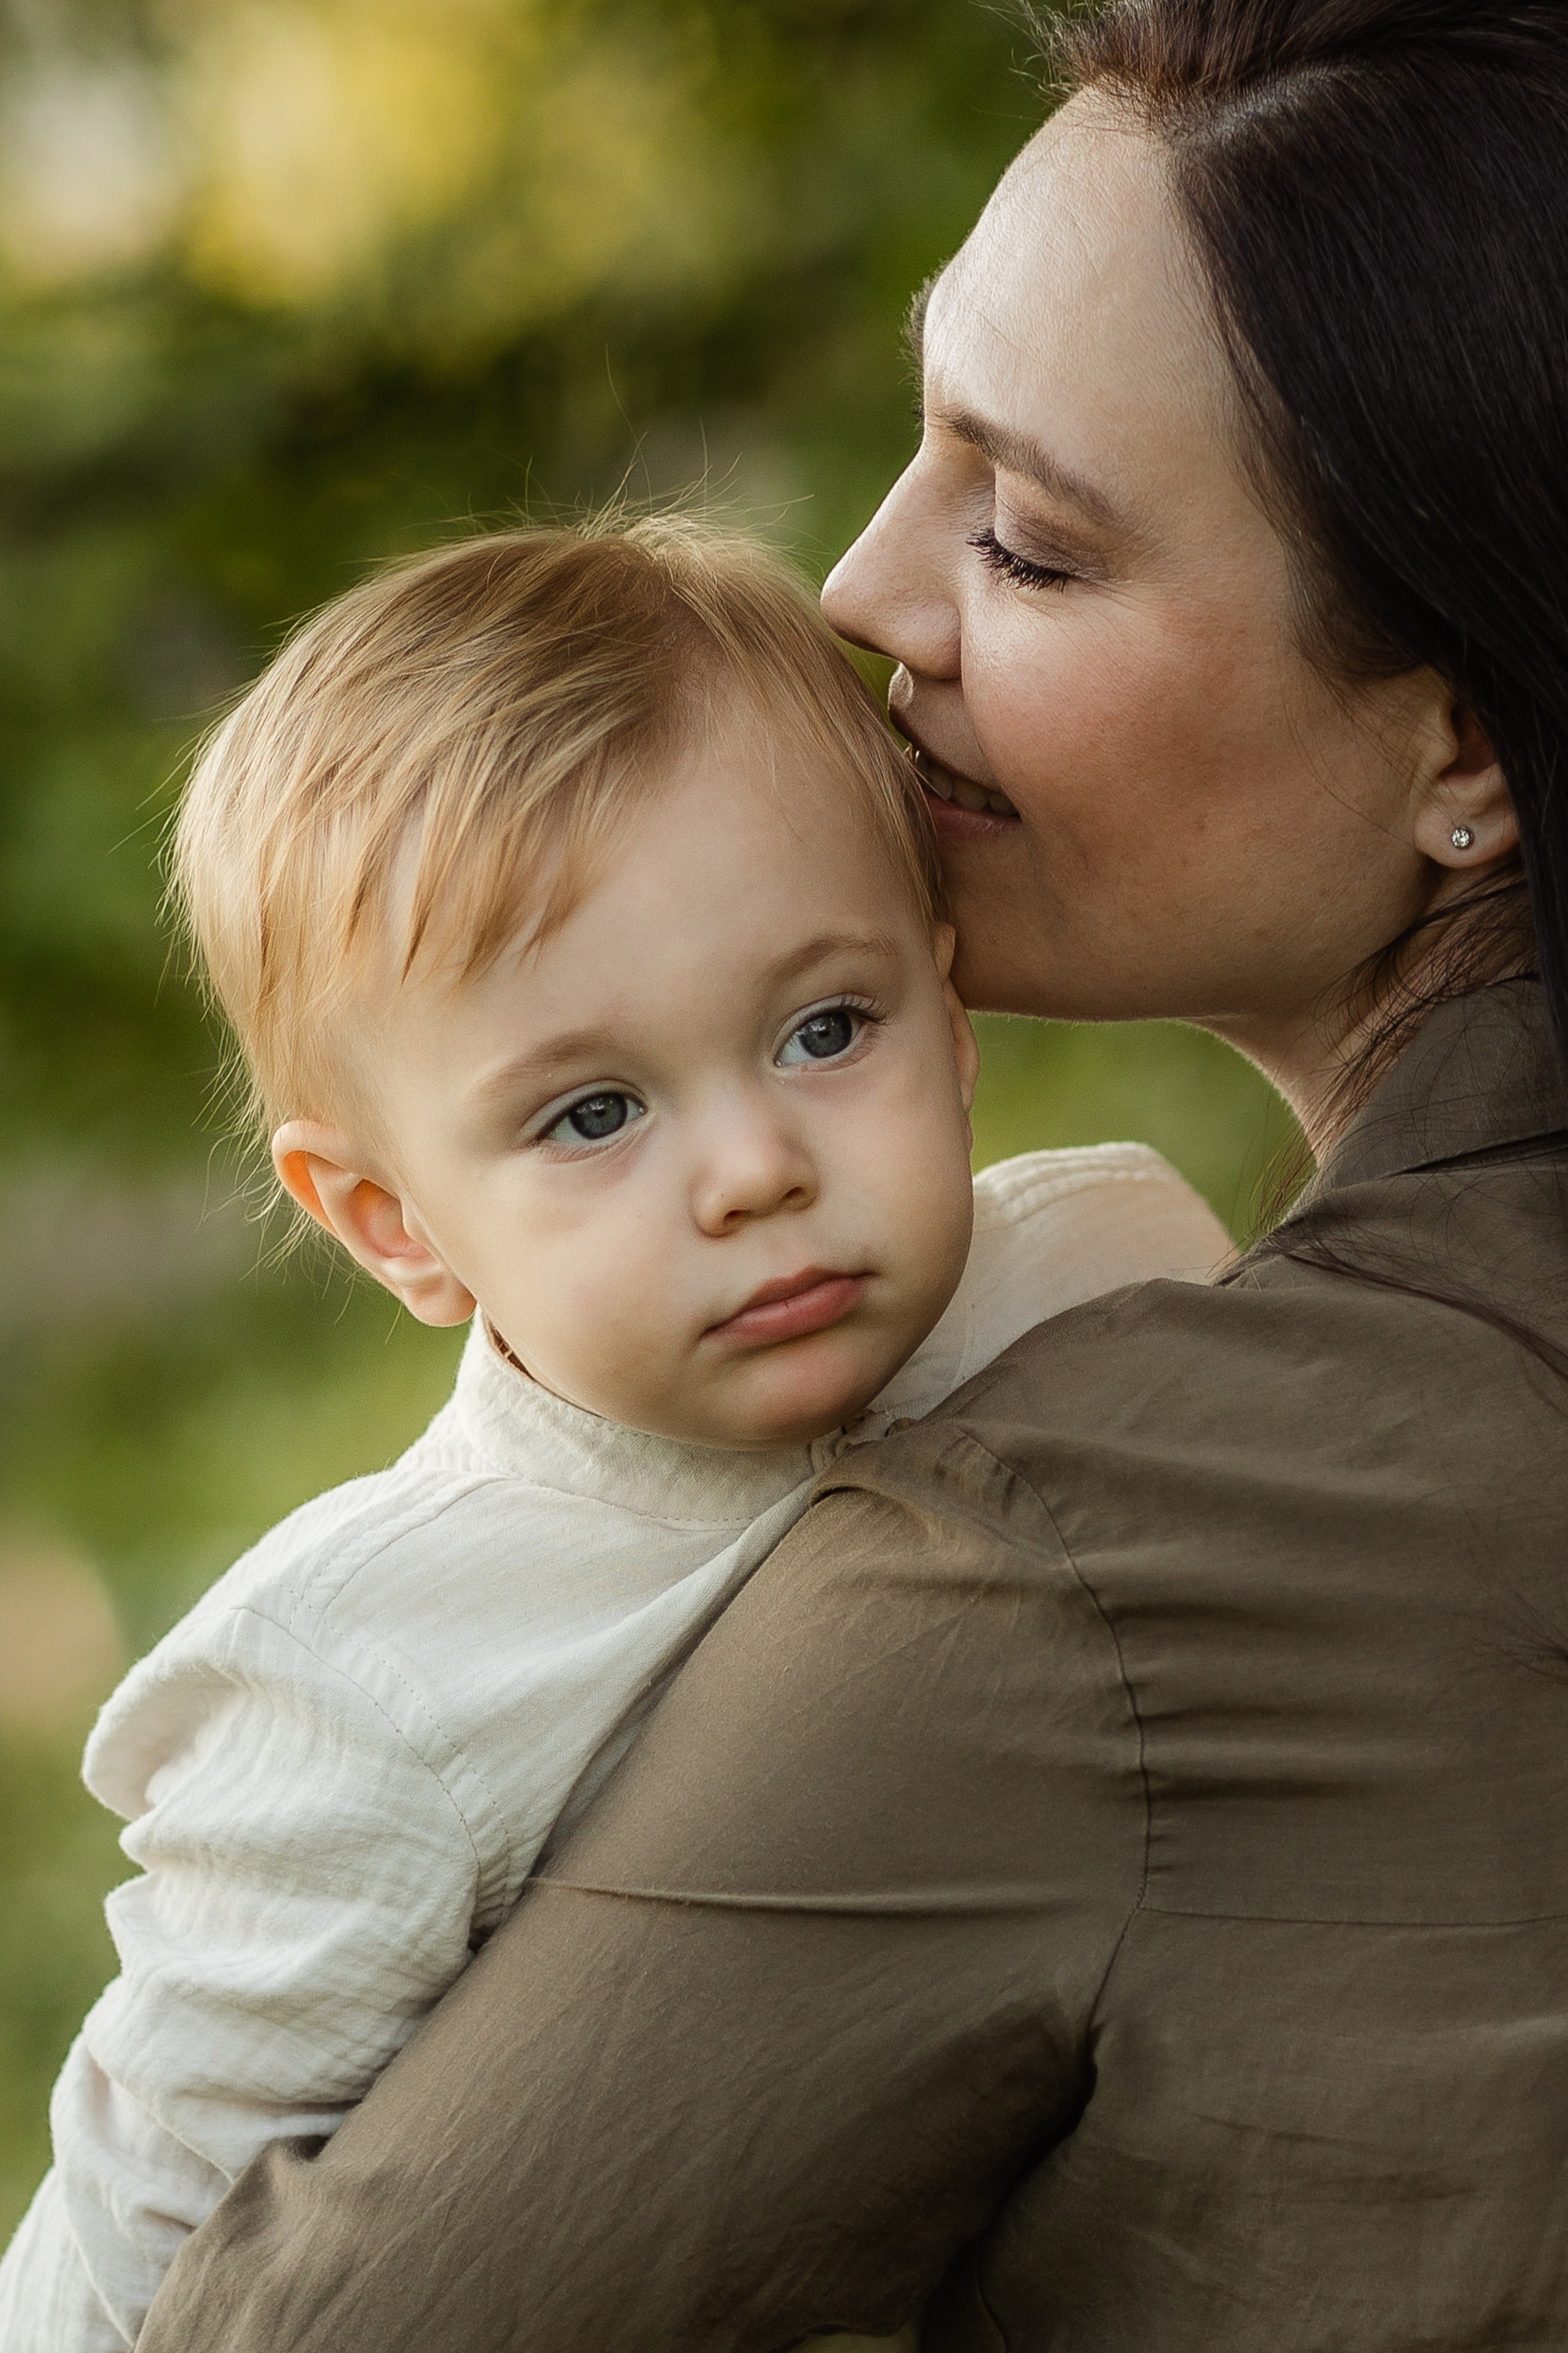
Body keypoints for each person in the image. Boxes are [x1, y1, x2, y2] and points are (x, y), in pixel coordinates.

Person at [132, 0, 1568, 2344]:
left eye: (1030, 541)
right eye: (923, 451)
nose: (866, 594)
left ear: (1466, 747)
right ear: (378, 1213)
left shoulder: (1086, 1551)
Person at [0, 520, 1224, 2351]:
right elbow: (146, 2206)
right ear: (395, 1223)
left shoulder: (1111, 1274)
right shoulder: (378, 1666)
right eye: (592, 1115)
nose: (754, 1169)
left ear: (953, 1016)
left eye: (827, 1028)